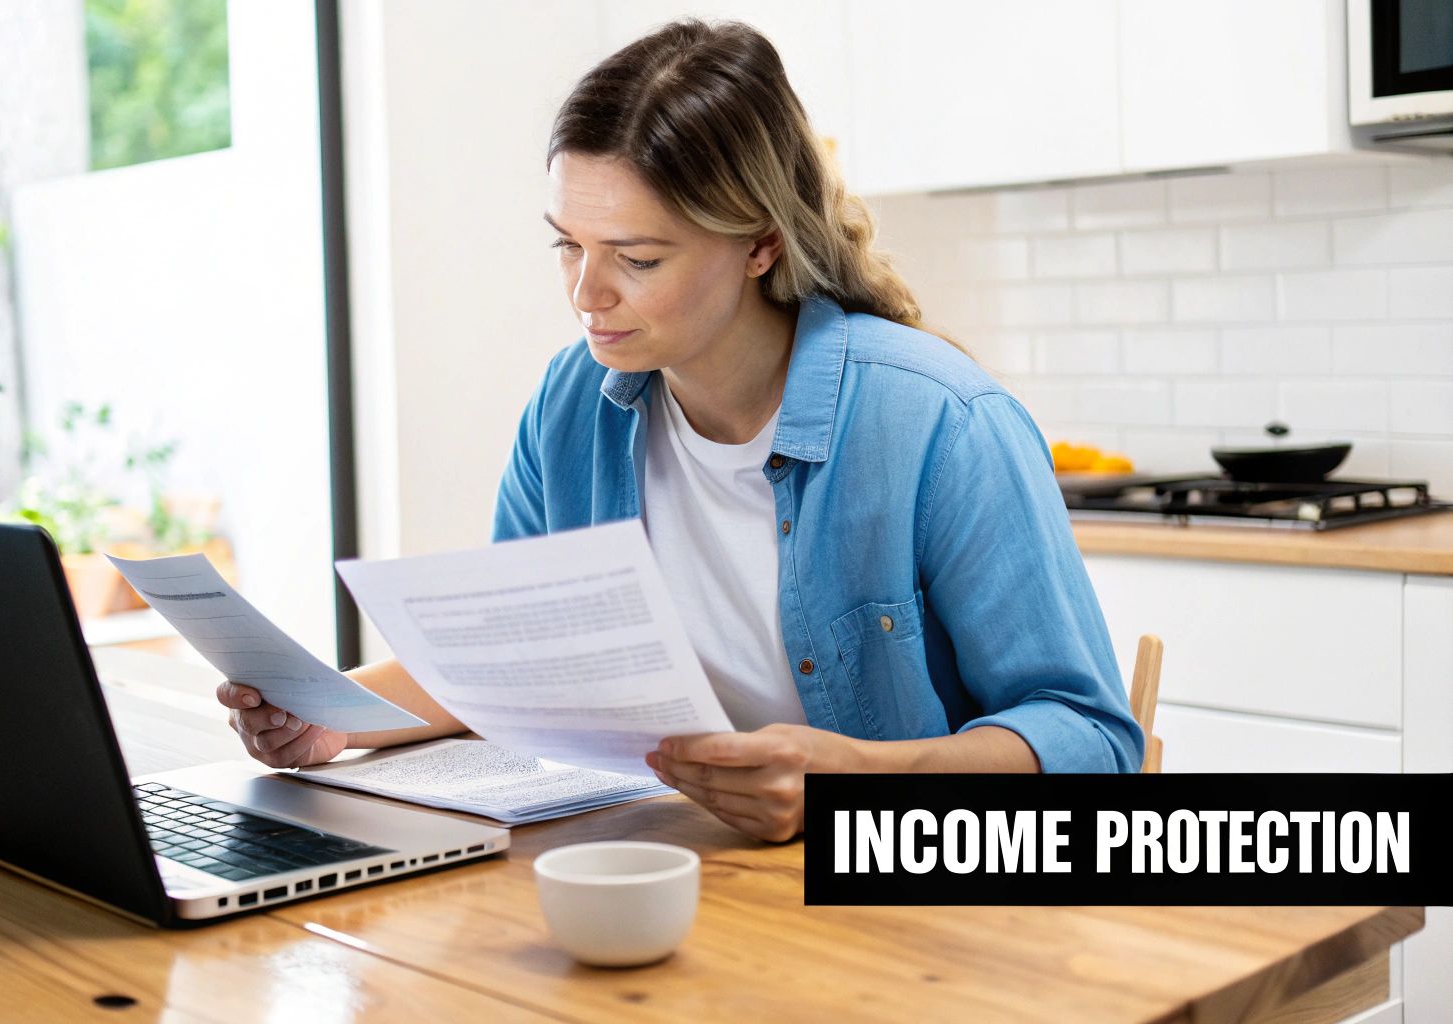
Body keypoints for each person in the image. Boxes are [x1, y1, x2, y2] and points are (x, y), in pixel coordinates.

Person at [216, 19, 1142, 842]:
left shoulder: (941, 424)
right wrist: (337, 719)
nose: (586, 295)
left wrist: (855, 785)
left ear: (760, 244)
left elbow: (1094, 741)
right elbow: (513, 664)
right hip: (671, 877)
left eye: (638, 258)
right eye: (567, 246)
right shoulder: (574, 401)